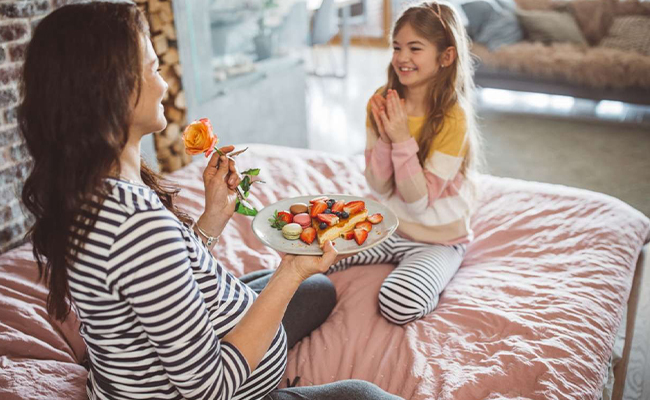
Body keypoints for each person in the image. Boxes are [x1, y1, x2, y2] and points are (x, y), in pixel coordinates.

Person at [18, 2, 402, 400]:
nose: (164, 82)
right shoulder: (136, 225)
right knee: (366, 395)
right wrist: (290, 272)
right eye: (152, 68)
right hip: (220, 389)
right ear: (113, 89)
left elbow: (156, 273)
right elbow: (207, 389)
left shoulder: (86, 191)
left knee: (318, 288)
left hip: (156, 358)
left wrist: (211, 220)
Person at [328, 2, 483, 325]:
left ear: (446, 57)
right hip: (390, 223)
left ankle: (439, 265)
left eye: (415, 48)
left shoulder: (454, 117)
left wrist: (400, 139)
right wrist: (386, 137)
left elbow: (418, 202)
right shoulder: (382, 99)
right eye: (397, 47)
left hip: (438, 239)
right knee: (316, 253)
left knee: (398, 303)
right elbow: (379, 185)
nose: (401, 57)